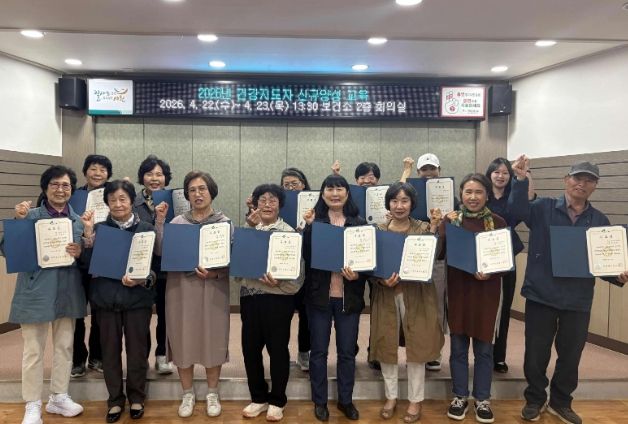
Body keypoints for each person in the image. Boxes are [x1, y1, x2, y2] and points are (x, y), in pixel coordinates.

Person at [516, 161, 628, 424]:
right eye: (578, 178)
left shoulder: (599, 221)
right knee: (536, 354)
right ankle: (535, 399)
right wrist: (520, 182)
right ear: (566, 179)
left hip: (578, 300)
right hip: (541, 295)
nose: (582, 184)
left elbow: (602, 262)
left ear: (595, 186)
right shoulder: (542, 208)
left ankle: (561, 402)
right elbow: (517, 210)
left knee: (570, 355)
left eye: (589, 180)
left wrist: (617, 274)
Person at [438, 171, 527, 424]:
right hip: (458, 293)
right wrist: (440, 227)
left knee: (484, 350)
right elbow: (439, 254)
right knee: (458, 349)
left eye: (479, 192)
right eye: (468, 192)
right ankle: (459, 396)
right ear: (461, 195)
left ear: (487, 195)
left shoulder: (498, 222)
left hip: (487, 294)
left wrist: (490, 272)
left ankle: (483, 399)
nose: (473, 197)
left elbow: (505, 262)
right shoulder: (451, 221)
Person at [0, 165, 85, 424]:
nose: (60, 190)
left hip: (67, 290)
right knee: (33, 351)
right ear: (45, 188)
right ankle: (33, 403)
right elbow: (7, 250)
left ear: (72, 190)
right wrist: (18, 222)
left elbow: (86, 257)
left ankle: (59, 396)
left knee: (64, 347)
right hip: (34, 291)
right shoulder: (29, 216)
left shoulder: (78, 221)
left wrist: (81, 250)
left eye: (66, 185)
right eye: (55, 185)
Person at [154, 171, 231, 418]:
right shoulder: (177, 223)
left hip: (213, 289)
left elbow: (233, 261)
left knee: (213, 338)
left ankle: (212, 392)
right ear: (186, 195)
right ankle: (187, 393)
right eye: (192, 190)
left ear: (211, 192)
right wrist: (160, 222)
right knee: (182, 338)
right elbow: (160, 252)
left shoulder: (224, 223)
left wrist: (215, 273)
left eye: (202, 189)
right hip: (181, 289)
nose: (197, 194)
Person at [81, 180, 156, 423]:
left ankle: (136, 397)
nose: (118, 204)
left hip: (137, 300)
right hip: (106, 300)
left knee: (137, 351)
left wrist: (143, 278)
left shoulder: (146, 228)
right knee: (110, 352)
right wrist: (88, 235)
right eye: (112, 200)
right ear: (107, 203)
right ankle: (114, 400)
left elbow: (155, 267)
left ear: (132, 201)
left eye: (123, 199)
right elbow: (87, 265)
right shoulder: (99, 229)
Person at [369, 182, 444, 423]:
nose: (399, 206)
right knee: (386, 347)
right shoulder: (378, 230)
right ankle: (391, 397)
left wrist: (435, 229)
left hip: (417, 296)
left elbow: (433, 258)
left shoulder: (423, 228)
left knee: (417, 348)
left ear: (412, 204)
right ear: (388, 203)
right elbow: (370, 265)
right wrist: (381, 280)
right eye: (394, 201)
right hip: (386, 295)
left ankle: (415, 400)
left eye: (404, 201)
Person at [234, 184, 304, 422]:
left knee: (278, 350)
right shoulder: (248, 230)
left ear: (280, 205)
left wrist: (279, 283)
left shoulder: (289, 234)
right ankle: (258, 398)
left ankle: (277, 400)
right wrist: (249, 229)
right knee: (250, 349)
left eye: (272, 200)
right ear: (254, 204)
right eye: (262, 200)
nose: (266, 204)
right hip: (251, 298)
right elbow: (238, 269)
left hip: (278, 300)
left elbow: (297, 275)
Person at [302, 174, 368, 422]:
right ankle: (319, 401)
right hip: (319, 297)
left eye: (340, 188)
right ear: (323, 194)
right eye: (329, 189)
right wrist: (309, 228)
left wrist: (358, 275)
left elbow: (368, 264)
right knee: (319, 352)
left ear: (347, 194)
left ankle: (345, 400)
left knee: (347, 352)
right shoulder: (315, 222)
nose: (335, 193)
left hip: (348, 299)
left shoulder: (359, 224)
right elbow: (306, 257)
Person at [399, 153, 450, 372]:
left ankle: (435, 353)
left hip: (437, 258)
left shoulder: (448, 195)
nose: (429, 173)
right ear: (419, 172)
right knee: (412, 306)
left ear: (439, 170)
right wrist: (406, 172)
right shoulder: (411, 196)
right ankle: (415, 348)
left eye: (432, 169)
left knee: (436, 306)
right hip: (413, 256)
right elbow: (397, 195)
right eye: (424, 170)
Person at [485, 156, 535, 374]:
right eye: (496, 172)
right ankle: (483, 353)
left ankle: (499, 356)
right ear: (489, 174)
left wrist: (524, 176)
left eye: (505, 172)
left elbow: (528, 201)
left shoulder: (515, 195)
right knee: (483, 308)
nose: (500, 176)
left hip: (506, 256)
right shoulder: (481, 195)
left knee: (503, 308)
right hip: (482, 255)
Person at [331, 160, 381, 369]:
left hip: (378, 255)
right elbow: (334, 198)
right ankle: (350, 345)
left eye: (372, 176)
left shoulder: (384, 197)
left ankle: (374, 351)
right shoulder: (349, 196)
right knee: (354, 302)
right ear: (356, 180)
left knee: (378, 306)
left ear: (378, 179)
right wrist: (335, 175)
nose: (367, 180)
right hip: (355, 256)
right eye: (363, 176)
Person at [71, 154, 112, 378]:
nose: (97, 173)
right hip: (76, 261)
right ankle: (78, 358)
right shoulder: (74, 195)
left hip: (103, 260)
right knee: (77, 312)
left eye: (103, 170)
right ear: (85, 171)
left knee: (100, 312)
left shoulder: (114, 195)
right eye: (93, 168)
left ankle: (97, 356)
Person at [134, 154, 173, 374]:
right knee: (141, 314)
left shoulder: (176, 202)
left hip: (167, 266)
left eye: (159, 174)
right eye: (149, 174)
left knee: (166, 314)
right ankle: (142, 357)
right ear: (142, 177)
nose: (155, 178)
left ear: (166, 178)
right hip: (142, 266)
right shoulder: (133, 202)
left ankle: (162, 355)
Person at [280, 168, 312, 372]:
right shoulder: (278, 204)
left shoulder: (314, 204)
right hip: (285, 267)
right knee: (283, 314)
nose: (291, 188)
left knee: (306, 314)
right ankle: (281, 354)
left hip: (308, 266)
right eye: (286, 185)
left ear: (303, 184)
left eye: (295, 183)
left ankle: (304, 353)